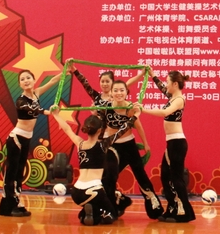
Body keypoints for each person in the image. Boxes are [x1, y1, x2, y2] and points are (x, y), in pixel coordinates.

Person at [67, 61, 163, 220]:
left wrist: (146, 143)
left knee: (140, 174)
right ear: (111, 93)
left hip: (129, 144)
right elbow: (87, 87)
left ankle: (154, 207)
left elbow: (138, 125)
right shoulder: (104, 106)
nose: (118, 93)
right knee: (108, 176)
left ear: (126, 92)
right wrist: (94, 112)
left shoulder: (130, 107)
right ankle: (111, 207)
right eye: (115, 90)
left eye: (121, 90)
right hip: (111, 146)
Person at [49, 91, 142, 226]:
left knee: (93, 207)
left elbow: (67, 129)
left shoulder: (80, 143)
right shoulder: (103, 145)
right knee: (111, 215)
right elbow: (123, 128)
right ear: (100, 130)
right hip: (94, 190)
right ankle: (95, 211)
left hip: (76, 192)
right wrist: (136, 115)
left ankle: (88, 211)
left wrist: (56, 115)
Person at [0, 69, 63, 217]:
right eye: (22, 79)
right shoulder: (21, 101)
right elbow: (35, 109)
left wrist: (66, 71)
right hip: (16, 139)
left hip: (27, 138)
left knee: (19, 173)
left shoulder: (36, 93)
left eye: (28, 78)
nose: (26, 81)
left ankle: (17, 202)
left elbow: (52, 81)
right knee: (11, 173)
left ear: (34, 80)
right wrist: (49, 112)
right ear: (20, 84)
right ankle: (7, 206)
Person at [143, 69, 196, 223]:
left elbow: (164, 113)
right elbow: (161, 87)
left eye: (168, 82)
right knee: (165, 176)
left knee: (176, 178)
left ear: (175, 84)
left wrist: (142, 109)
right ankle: (172, 208)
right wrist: (152, 75)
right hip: (172, 142)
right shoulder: (173, 97)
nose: (165, 85)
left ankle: (184, 212)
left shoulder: (179, 100)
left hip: (177, 143)